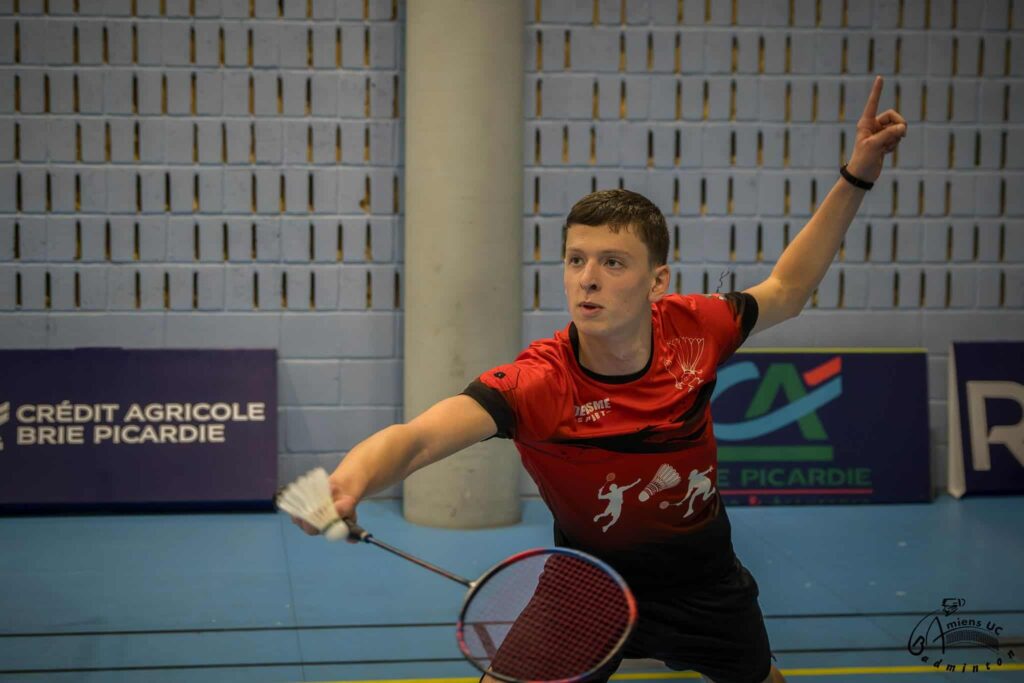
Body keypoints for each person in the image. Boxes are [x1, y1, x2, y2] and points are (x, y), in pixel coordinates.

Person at [293, 76, 906, 683]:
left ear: (657, 281)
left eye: (613, 263)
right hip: (586, 585)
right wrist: (350, 481)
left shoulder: (698, 329)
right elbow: (420, 438)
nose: (587, 278)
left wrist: (857, 175)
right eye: (576, 260)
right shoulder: (536, 383)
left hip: (704, 583)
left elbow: (788, 289)